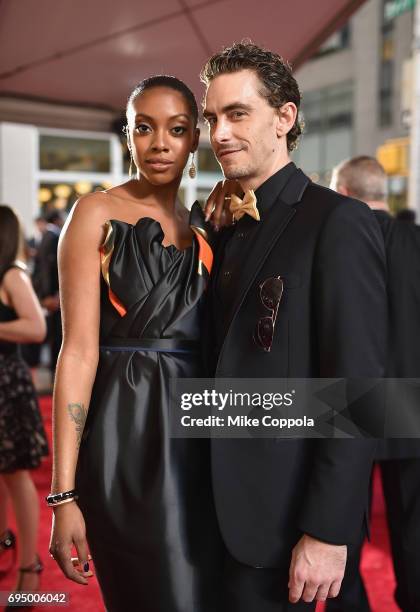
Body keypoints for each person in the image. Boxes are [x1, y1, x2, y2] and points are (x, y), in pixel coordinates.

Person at [201, 41, 387, 612]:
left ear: (284, 118)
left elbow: (358, 388)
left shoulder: (339, 222)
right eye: (212, 117)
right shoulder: (221, 227)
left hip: (292, 529)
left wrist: (329, 531)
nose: (220, 133)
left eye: (238, 114)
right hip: (217, 521)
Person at [48, 76, 223, 612]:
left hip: (202, 443)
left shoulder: (205, 230)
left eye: (176, 129)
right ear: (128, 136)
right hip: (127, 438)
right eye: (144, 128)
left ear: (196, 138)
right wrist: (63, 494)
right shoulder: (95, 214)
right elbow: (77, 352)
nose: (160, 143)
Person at [330, 155, 420, 612]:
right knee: (416, 532)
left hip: (351, 407)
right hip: (414, 406)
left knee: (341, 526)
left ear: (344, 193)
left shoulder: (340, 242)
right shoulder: (417, 241)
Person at [0, 205, 48, 604]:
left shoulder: (12, 275)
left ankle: (30, 569)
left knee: (17, 477)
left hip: (7, 383)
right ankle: (4, 547)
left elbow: (36, 328)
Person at [32, 211, 64, 372]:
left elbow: (40, 271)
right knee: (58, 339)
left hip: (49, 296)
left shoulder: (46, 237)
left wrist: (43, 297)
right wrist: (57, 295)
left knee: (55, 340)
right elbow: (55, 269)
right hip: (56, 297)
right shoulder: (55, 236)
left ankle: (54, 375)